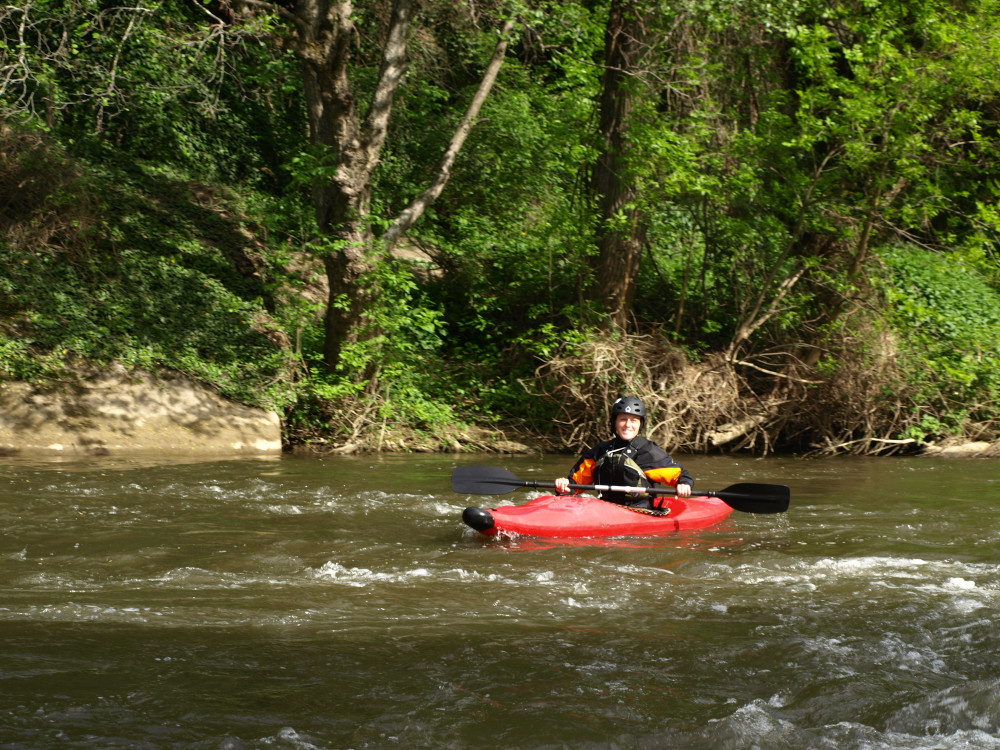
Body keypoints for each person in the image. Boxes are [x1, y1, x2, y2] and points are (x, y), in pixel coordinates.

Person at [553, 396, 692, 509]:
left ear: (640, 424)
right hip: (606, 509)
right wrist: (565, 486)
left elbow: (678, 475)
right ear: (615, 422)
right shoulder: (600, 451)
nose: (628, 425)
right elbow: (575, 483)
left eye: (633, 421)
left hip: (641, 511)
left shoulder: (648, 451)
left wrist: (683, 483)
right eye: (623, 419)